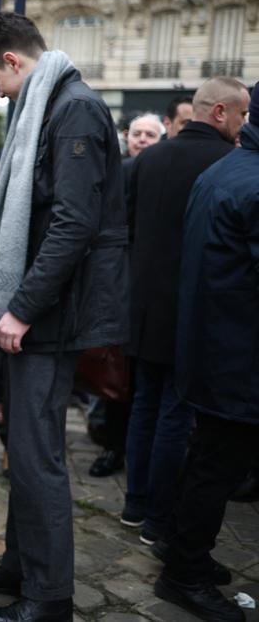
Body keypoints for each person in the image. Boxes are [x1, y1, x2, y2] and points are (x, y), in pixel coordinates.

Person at [0, 11, 127, 622]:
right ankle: (20, 568)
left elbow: (73, 222)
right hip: (47, 313)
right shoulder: (52, 104)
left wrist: (20, 309)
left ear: (14, 63)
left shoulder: (71, 108)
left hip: (53, 317)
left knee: (38, 456)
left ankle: (49, 598)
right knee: (23, 449)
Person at [150, 81, 259, 622]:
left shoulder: (224, 171)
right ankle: (184, 572)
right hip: (235, 356)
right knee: (215, 467)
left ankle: (186, 554)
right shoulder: (246, 177)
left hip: (210, 346)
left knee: (205, 461)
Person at [123, 77, 248, 546]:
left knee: (144, 407)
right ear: (219, 112)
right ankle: (156, 519)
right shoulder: (228, 165)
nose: (243, 125)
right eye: (241, 115)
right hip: (190, 310)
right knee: (174, 417)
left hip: (144, 306)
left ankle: (135, 504)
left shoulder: (148, 159)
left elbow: (126, 227)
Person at [86, 111, 167, 480]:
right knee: (114, 372)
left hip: (151, 287)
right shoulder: (115, 170)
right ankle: (112, 444)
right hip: (117, 284)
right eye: (138, 133)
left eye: (151, 134)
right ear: (127, 137)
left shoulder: (163, 174)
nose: (143, 139)